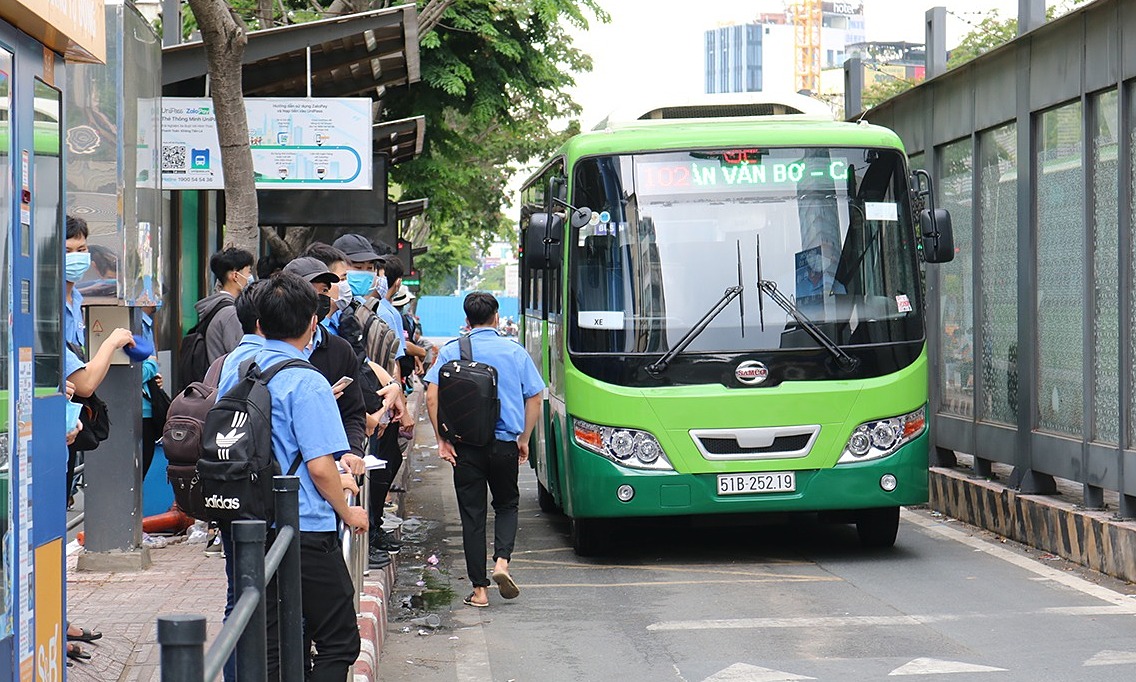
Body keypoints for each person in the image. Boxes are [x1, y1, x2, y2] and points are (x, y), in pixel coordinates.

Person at [253, 272, 369, 680]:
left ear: (260, 324)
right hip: (305, 527)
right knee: (340, 641)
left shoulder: (242, 368)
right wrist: (348, 511)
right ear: (313, 323)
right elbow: (321, 467)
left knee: (276, 644)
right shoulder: (307, 382)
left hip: (252, 525)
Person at [425, 292, 545, 608]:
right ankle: (502, 563)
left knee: (472, 515)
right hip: (505, 443)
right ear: (496, 317)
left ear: (467, 321)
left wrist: (442, 440)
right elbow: (535, 397)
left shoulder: (451, 351)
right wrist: (524, 438)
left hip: (466, 446)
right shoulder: (514, 351)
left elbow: (431, 398)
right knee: (506, 504)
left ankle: (480, 591)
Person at [194, 247, 255, 363]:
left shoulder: (215, 306)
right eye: (249, 272)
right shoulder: (230, 313)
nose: (250, 277)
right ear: (235, 276)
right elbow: (240, 359)